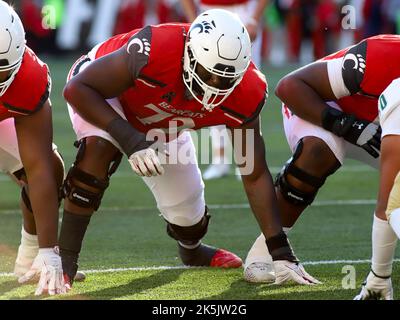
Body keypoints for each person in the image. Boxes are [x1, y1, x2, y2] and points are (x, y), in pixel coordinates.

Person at [59, 8, 318, 287]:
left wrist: (280, 251)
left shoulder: (248, 91)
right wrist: (132, 141)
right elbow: (78, 89)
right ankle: (64, 263)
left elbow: (253, 173)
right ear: (190, 55)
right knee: (98, 153)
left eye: (226, 79)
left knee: (189, 217)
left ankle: (191, 251)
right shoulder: (155, 49)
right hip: (106, 96)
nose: (215, 86)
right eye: (209, 74)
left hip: (166, 120)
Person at [244, 34, 400, 300]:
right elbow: (290, 86)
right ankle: (270, 249)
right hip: (327, 113)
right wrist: (346, 125)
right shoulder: (384, 55)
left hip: (382, 130)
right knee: (318, 152)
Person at [0, 1, 66, 296]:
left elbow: (38, 168)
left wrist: (49, 250)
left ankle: (30, 255)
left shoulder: (28, 75)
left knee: (51, 167)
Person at [180, 0, 268, 180]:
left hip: (243, 12)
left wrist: (254, 18)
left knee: (247, 86)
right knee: (210, 85)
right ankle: (220, 158)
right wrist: (194, 21)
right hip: (208, 14)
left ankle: (245, 158)